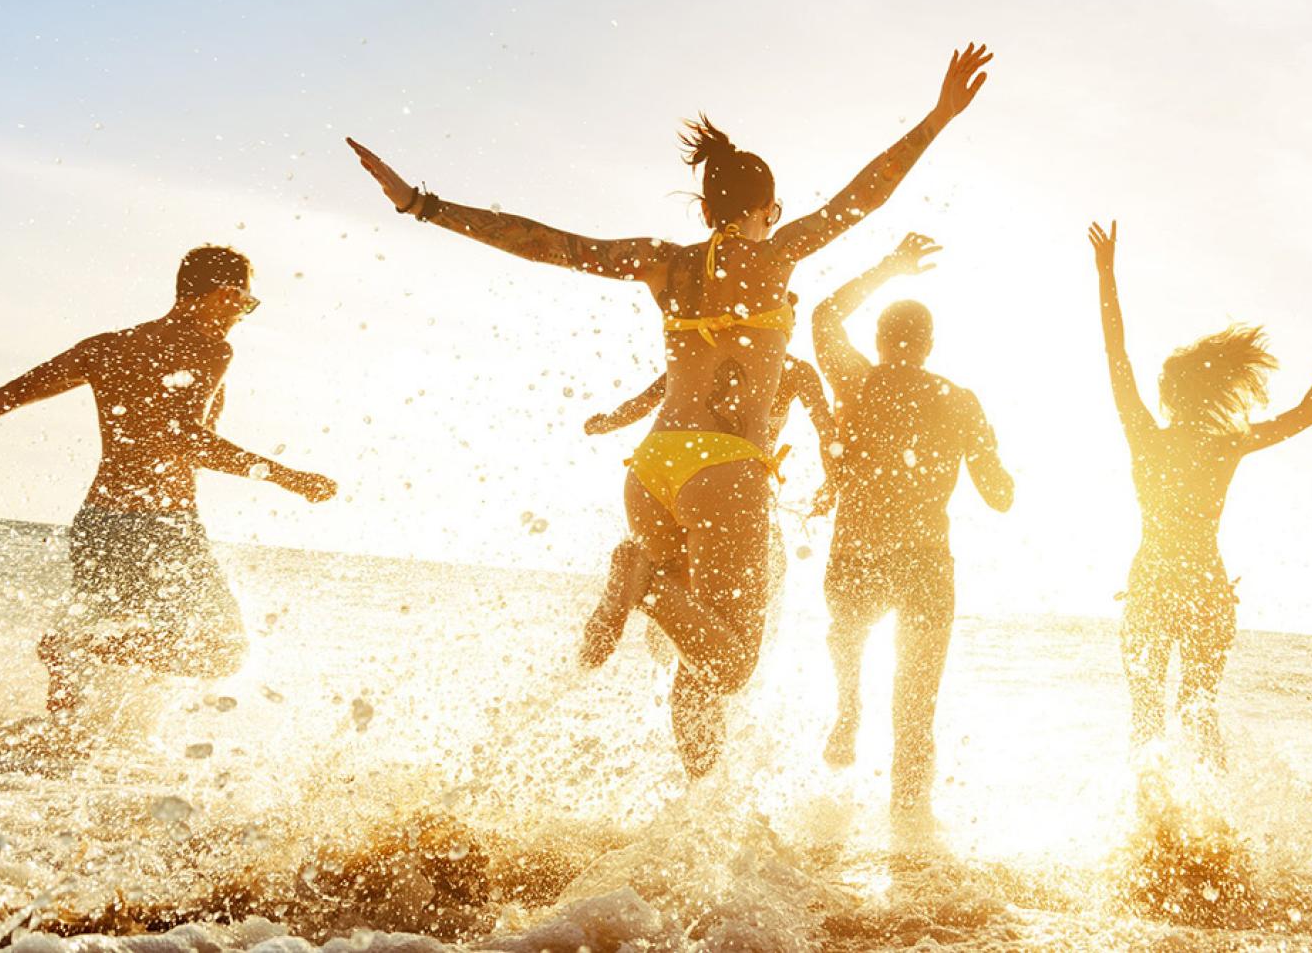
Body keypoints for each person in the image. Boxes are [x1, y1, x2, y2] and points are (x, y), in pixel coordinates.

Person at [346, 42, 991, 776]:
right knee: (734, 665)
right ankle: (641, 580)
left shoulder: (665, 261)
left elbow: (550, 244)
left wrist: (421, 205)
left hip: (652, 469)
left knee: (699, 653)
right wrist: (938, 117)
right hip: (724, 472)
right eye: (775, 210)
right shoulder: (777, 256)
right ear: (761, 211)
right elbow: (863, 195)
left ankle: (695, 813)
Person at [0, 246, 337, 740]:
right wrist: (287, 477)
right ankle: (72, 651)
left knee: (84, 688)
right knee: (222, 652)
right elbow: (183, 436)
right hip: (161, 528)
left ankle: (54, 755)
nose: (242, 317)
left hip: (99, 525)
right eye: (244, 303)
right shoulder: (210, 349)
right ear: (219, 294)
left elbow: (7, 396)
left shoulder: (108, 347)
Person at [1089, 221, 1312, 767]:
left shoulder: (1145, 436)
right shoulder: (1226, 446)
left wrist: (1105, 274)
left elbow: (1116, 356)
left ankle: (1150, 826)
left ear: (1168, 395)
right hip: (1206, 587)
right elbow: (1304, 417)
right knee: (1199, 710)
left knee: (1146, 713)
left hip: (1150, 583)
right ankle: (1215, 830)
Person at [810, 232, 1013, 824]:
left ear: (878, 341)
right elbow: (999, 496)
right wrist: (995, 462)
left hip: (857, 549)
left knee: (846, 633)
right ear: (928, 345)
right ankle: (911, 837)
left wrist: (890, 268)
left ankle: (848, 704)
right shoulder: (959, 400)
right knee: (916, 707)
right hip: (926, 561)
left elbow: (823, 316)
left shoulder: (859, 381)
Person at [576, 349, 837, 665]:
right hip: (730, 485)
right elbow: (825, 426)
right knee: (740, 604)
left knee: (671, 582)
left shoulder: (703, 356)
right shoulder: (792, 370)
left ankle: (607, 663)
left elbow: (646, 401)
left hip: (660, 471)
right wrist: (832, 481)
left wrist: (606, 423)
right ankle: (691, 676)